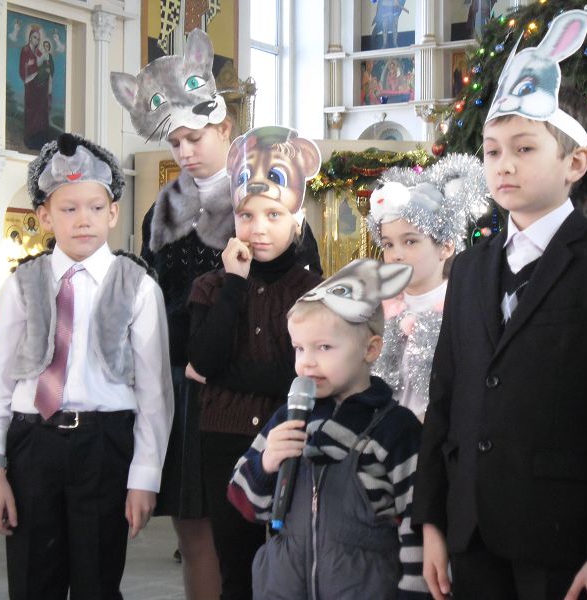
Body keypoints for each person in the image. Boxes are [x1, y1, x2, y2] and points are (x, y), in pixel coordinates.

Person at [412, 9, 587, 600]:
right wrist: (432, 521)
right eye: (493, 151)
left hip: (561, 538)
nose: (504, 164)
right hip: (471, 531)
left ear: (574, 162)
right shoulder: (469, 269)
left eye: (524, 148)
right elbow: (445, 398)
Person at [0, 133, 174, 600]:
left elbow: (154, 394)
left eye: (95, 207)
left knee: (97, 583)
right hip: (32, 445)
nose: (83, 219)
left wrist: (144, 478)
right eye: (68, 209)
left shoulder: (138, 287)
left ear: (113, 213)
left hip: (104, 446)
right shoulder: (21, 286)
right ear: (45, 216)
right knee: (32, 582)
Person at [227, 258, 430, 598]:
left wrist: (414, 592)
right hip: (285, 587)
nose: (307, 361)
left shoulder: (396, 429)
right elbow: (245, 504)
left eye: (324, 347)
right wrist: (266, 464)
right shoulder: (288, 418)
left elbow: (416, 520)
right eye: (299, 348)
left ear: (371, 349)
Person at [111, 29, 231, 599]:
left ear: (224, 128)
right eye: (175, 141)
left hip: (241, 384)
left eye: (194, 137)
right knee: (193, 527)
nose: (184, 151)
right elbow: (154, 296)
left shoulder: (260, 200)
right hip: (181, 384)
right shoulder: (160, 209)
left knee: (245, 528)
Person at [186, 125, 324, 600]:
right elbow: (204, 358)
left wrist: (223, 374)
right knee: (237, 572)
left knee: (295, 569)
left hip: (292, 438)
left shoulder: (314, 292)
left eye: (273, 214)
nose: (258, 228)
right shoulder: (212, 287)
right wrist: (236, 282)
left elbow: (300, 374)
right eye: (246, 215)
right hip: (223, 442)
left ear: (296, 220)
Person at [367, 154, 488, 420]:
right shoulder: (376, 308)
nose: (396, 254)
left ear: (446, 246)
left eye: (410, 241)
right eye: (388, 244)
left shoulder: (463, 308)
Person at [19, 25, 49, 150]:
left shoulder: (38, 52)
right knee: (30, 111)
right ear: (30, 37)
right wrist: (30, 66)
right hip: (30, 85)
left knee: (40, 111)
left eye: (38, 39)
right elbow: (23, 68)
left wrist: (44, 65)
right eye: (35, 37)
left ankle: (38, 139)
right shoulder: (25, 50)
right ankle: (29, 138)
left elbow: (45, 62)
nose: (36, 40)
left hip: (39, 87)